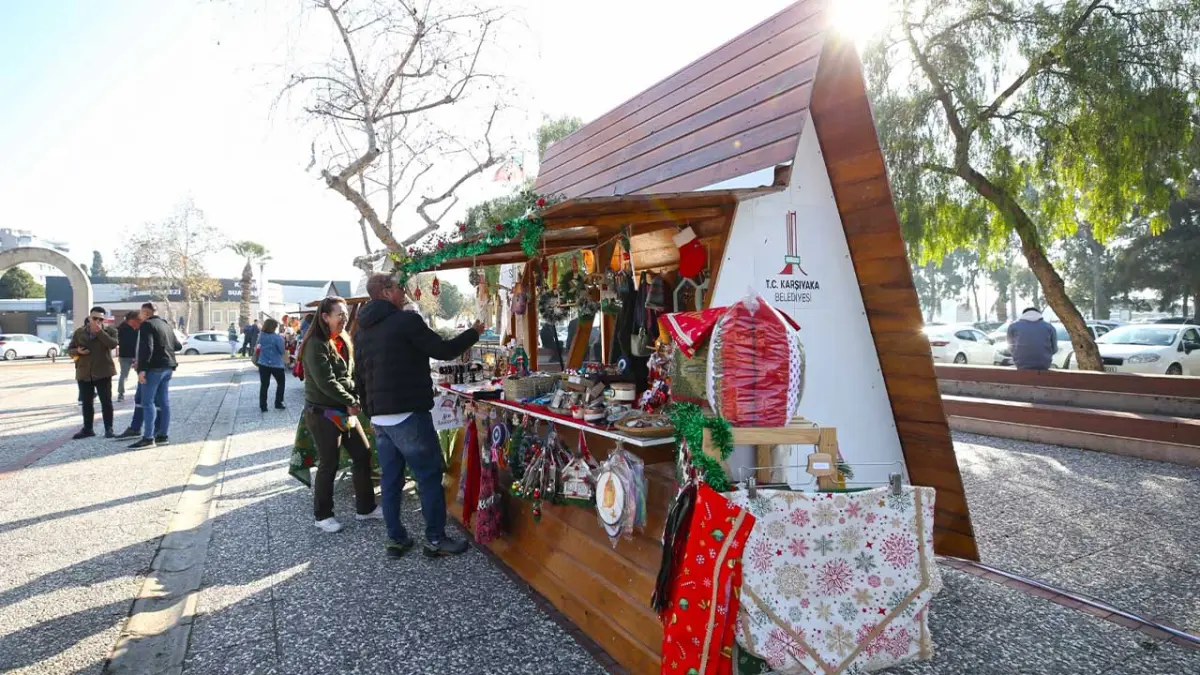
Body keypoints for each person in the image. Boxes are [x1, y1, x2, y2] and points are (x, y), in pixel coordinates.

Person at [354, 274, 481, 558]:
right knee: (428, 476)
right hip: (408, 413)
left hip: (380, 418)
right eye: (399, 288)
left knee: (391, 480)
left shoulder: (361, 330)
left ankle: (396, 539)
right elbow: (443, 350)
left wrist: (371, 412)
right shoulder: (406, 321)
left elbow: (358, 376)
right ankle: (435, 539)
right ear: (386, 292)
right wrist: (473, 332)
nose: (404, 292)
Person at [302, 296, 379, 533]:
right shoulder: (315, 344)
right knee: (329, 464)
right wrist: (351, 401)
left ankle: (366, 508)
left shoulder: (343, 338)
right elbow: (326, 382)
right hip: (323, 413)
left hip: (345, 411)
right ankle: (322, 515)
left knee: (362, 454)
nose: (344, 318)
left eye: (346, 313)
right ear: (325, 317)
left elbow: (349, 374)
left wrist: (355, 395)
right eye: (340, 314)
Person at [130, 302, 182, 449]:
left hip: (153, 368)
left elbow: (147, 348)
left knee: (147, 402)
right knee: (164, 402)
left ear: (146, 313)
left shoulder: (147, 325)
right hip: (168, 367)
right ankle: (162, 436)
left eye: (141, 313)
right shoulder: (165, 325)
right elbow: (177, 346)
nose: (139, 316)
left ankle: (148, 438)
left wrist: (142, 369)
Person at [67, 306, 119, 439]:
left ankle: (109, 429)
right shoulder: (79, 332)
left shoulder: (110, 331)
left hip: (103, 371)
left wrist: (100, 332)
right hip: (84, 371)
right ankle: (88, 429)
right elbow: (70, 350)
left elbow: (113, 344)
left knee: (106, 401)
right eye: (94, 318)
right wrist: (77, 351)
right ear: (89, 318)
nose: (97, 321)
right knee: (86, 402)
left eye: (100, 319)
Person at [1007, 306, 1057, 371]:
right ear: (1039, 315)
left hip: (1021, 364)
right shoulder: (1049, 327)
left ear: (1023, 315)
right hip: (1043, 364)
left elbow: (1010, 349)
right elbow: (1054, 349)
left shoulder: (1013, 327)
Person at [256, 318, 287, 412]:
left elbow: (258, 346)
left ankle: (263, 406)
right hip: (276, 364)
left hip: (263, 363)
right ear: (274, 327)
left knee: (264, 385)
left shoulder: (261, 336)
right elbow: (282, 350)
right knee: (281, 383)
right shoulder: (278, 338)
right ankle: (278, 402)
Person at [115, 311, 140, 402]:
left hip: (134, 355)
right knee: (125, 375)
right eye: (137, 319)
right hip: (127, 355)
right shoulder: (122, 328)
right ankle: (121, 393)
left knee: (139, 374)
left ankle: (140, 392)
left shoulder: (137, 327)